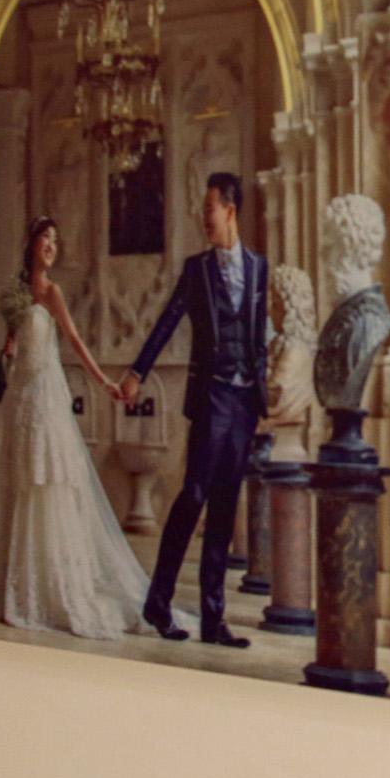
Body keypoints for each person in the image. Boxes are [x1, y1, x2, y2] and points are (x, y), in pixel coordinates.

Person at [0, 216, 167, 639]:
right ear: (31, 244)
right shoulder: (16, 294)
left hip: (46, 397)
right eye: (44, 238)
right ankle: (14, 584)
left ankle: (49, 585)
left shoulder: (52, 292)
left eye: (55, 239)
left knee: (47, 482)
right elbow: (10, 346)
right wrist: (6, 356)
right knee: (18, 481)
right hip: (19, 398)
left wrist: (104, 381)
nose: (51, 245)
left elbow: (73, 340)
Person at [117, 173, 269, 649]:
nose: (203, 217)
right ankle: (159, 600)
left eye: (209, 208)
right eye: (202, 209)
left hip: (245, 401)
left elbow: (258, 331)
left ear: (230, 210)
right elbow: (167, 321)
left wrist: (263, 387)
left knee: (225, 507)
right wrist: (138, 371)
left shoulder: (260, 268)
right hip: (211, 396)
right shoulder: (196, 270)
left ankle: (213, 618)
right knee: (194, 496)